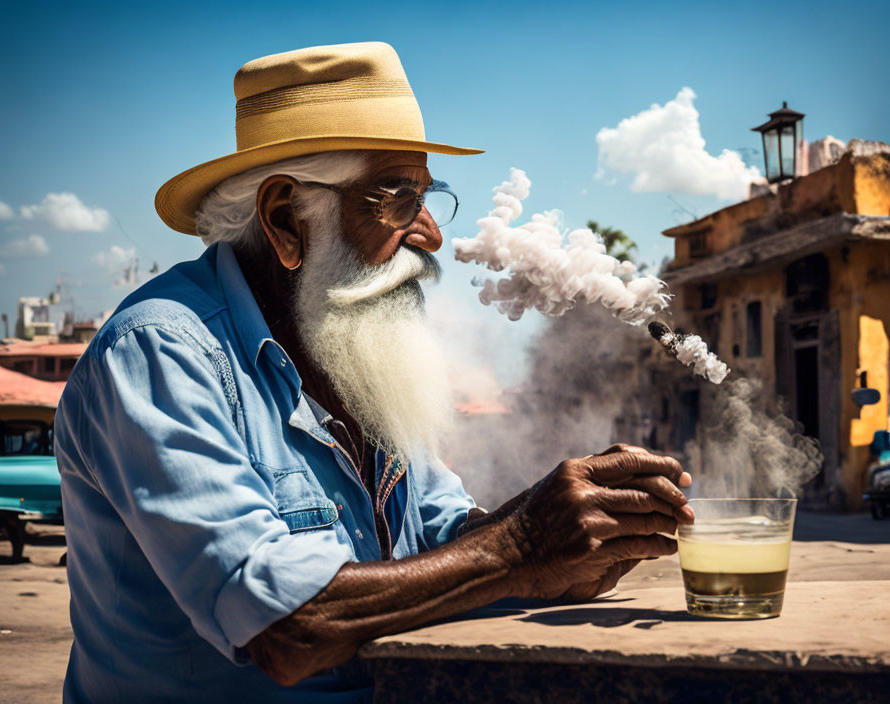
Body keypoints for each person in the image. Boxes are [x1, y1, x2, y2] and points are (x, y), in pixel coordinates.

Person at [54, 42, 693, 703]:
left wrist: (568, 549)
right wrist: (523, 545)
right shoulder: (161, 354)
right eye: (395, 198)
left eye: (427, 197)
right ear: (285, 218)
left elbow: (441, 539)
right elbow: (286, 625)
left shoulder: (351, 353)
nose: (430, 236)